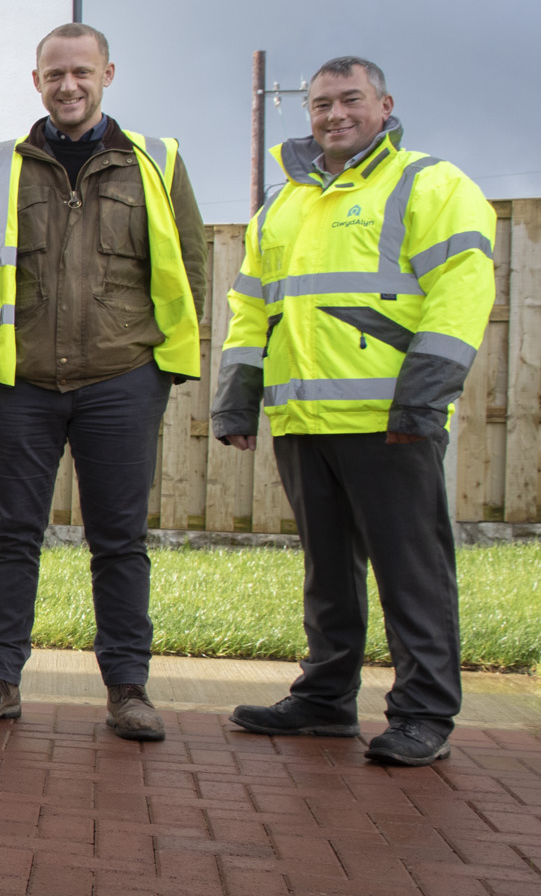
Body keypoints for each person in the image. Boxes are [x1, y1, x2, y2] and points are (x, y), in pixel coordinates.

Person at [212, 57, 496, 767]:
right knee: (327, 572)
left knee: (411, 572)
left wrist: (422, 398)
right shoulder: (282, 203)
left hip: (390, 420)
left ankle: (424, 712)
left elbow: (460, 293)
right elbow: (252, 306)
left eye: (348, 99)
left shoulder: (428, 183)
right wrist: (237, 397)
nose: (332, 114)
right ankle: (325, 699)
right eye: (319, 104)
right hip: (304, 422)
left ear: (383, 104)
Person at [0, 23, 207, 741]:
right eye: (54, 73)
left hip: (121, 379)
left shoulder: (155, 161)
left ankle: (128, 688)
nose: (67, 85)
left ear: (107, 75)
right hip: (18, 382)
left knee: (119, 540)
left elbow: (188, 264)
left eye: (81, 72)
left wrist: (159, 369)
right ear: (36, 80)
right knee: (11, 536)